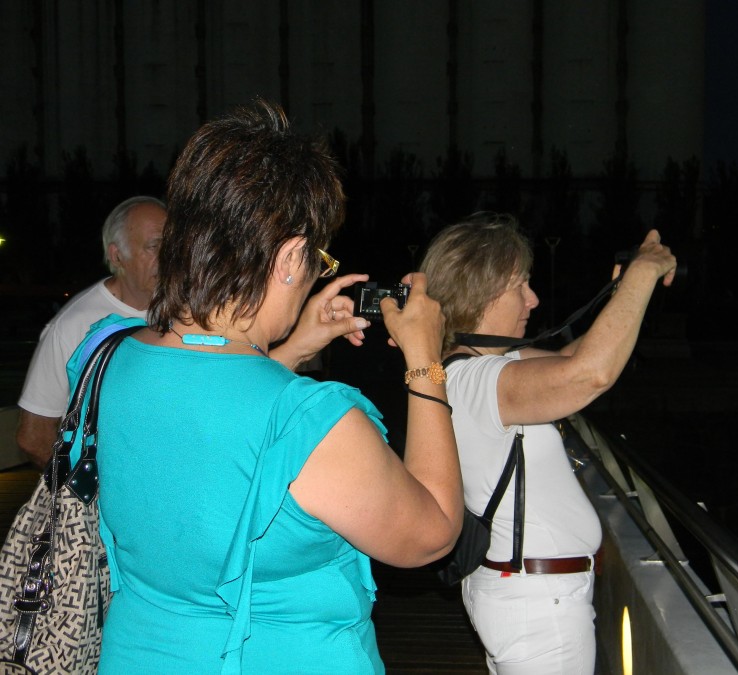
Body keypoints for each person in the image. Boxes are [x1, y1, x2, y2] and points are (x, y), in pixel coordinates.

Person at [66, 99, 462, 674]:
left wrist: (294, 346)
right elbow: (432, 533)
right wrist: (425, 357)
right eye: (315, 259)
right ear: (290, 258)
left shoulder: (101, 356)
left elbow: (207, 393)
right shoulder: (316, 424)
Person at [419, 212, 676, 674]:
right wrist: (643, 273)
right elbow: (589, 375)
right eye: (521, 284)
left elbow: (573, 359)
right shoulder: (481, 380)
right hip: (538, 608)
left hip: (528, 596)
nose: (532, 300)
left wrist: (623, 293)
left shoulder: (472, 368)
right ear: (483, 289)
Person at [16, 195, 166, 467]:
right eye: (154, 246)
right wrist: (83, 495)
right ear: (117, 255)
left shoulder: (190, 311)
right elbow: (34, 435)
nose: (168, 257)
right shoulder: (75, 325)